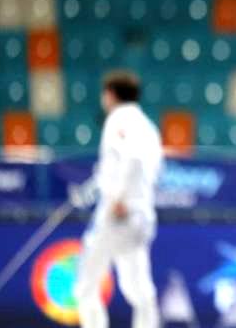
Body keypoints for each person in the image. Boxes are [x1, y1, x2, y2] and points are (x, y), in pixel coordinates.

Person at [73, 70, 164, 328]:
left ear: (110, 94)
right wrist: (87, 193)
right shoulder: (148, 126)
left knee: (86, 284)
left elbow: (132, 158)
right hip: (141, 214)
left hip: (118, 213)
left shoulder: (119, 119)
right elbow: (113, 169)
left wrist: (119, 198)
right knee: (137, 287)